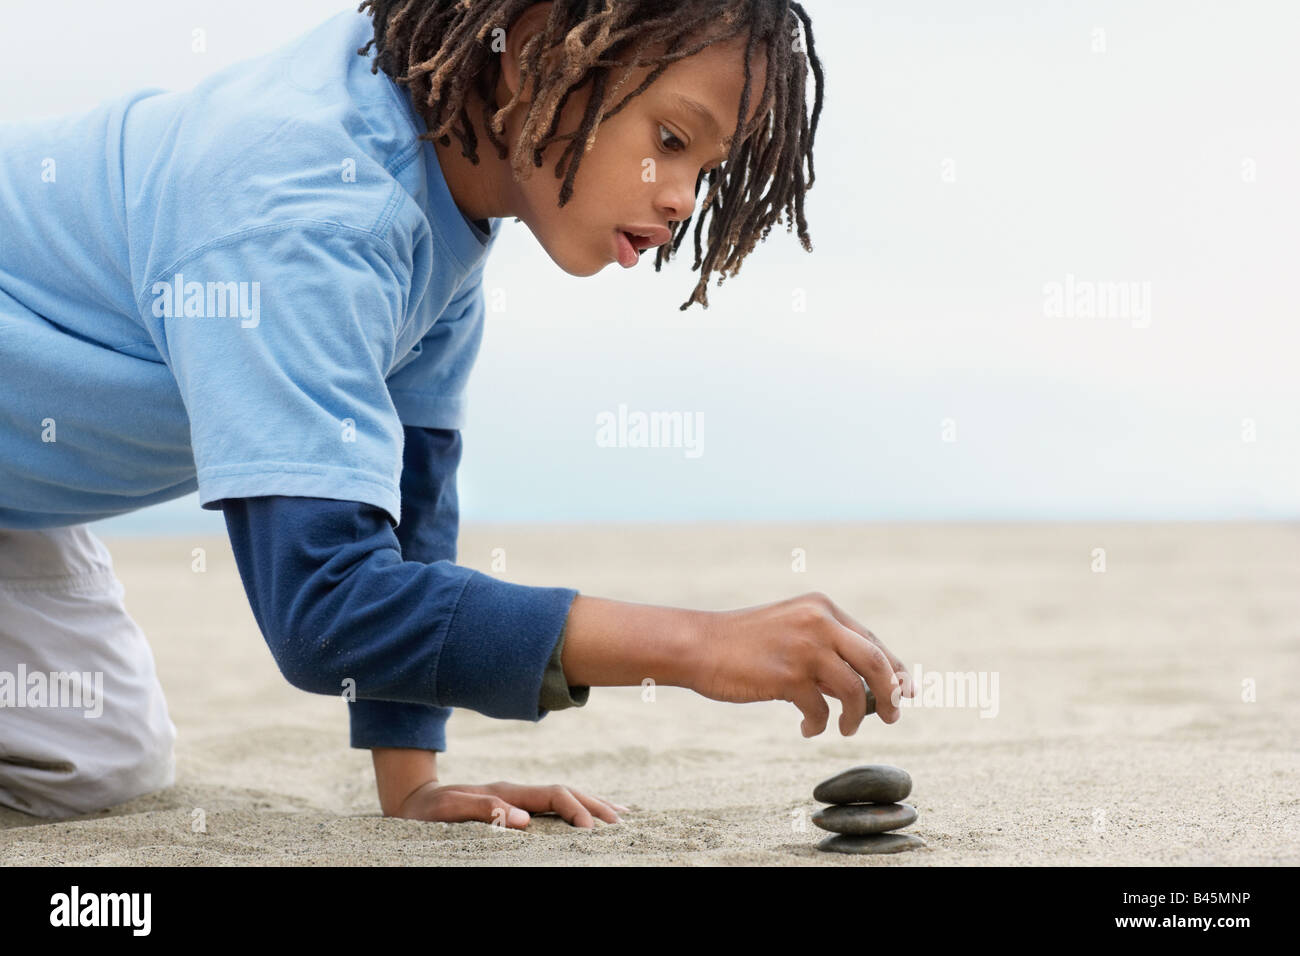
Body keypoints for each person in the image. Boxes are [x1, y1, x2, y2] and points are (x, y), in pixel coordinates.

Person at [0, 0, 911, 828]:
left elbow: (402, 509)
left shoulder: (442, 203)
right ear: (538, 47)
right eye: (670, 138)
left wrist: (413, 784)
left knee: (97, 760)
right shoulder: (309, 210)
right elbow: (327, 604)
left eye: (706, 168)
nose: (680, 197)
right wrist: (698, 645)